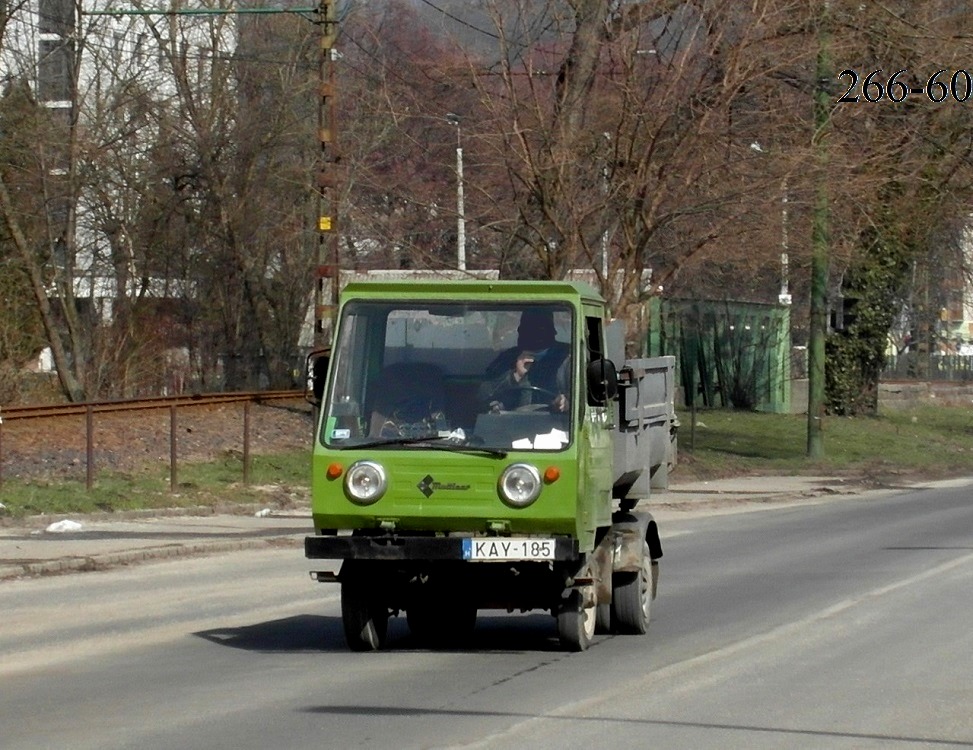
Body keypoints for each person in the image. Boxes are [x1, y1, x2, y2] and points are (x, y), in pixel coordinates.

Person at [480, 309, 570, 412]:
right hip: (511, 423)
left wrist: (567, 403)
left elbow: (583, 397)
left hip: (558, 424)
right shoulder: (508, 358)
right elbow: (484, 394)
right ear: (520, 331)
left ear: (552, 331)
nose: (535, 334)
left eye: (540, 328)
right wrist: (515, 376)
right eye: (529, 328)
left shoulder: (567, 357)